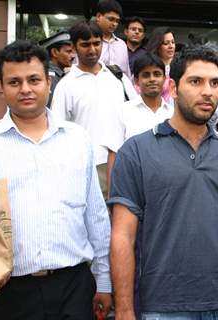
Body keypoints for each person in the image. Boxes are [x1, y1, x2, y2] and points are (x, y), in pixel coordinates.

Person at [109, 45, 218, 320]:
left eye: (214, 83)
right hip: (166, 306)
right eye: (196, 82)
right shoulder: (136, 151)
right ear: (173, 88)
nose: (208, 91)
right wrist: (125, 310)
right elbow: (122, 236)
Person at [0, 40, 111, 320]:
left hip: (74, 286)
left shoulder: (78, 139)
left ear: (49, 83)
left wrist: (104, 280)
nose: (25, 89)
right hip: (8, 289)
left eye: (34, 79)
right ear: (2, 87)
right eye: (14, 82)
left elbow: (96, 214)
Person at [51, 21, 135, 197]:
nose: (92, 49)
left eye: (97, 43)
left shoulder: (117, 77)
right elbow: (57, 131)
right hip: (86, 166)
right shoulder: (66, 85)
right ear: (74, 47)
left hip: (122, 163)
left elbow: (135, 114)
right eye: (85, 44)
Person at [103, 52, 173, 183]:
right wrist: (112, 197)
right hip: (132, 184)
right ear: (136, 81)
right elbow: (113, 155)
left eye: (157, 74)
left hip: (168, 188)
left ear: (164, 79)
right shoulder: (123, 111)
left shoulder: (173, 114)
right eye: (146, 75)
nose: (152, 79)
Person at [96, 0, 132, 78]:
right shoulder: (89, 42)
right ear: (98, 16)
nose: (114, 24)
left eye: (117, 21)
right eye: (111, 19)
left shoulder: (121, 44)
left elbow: (126, 73)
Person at [39, 31, 75, 106]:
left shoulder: (59, 74)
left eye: (73, 52)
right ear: (54, 52)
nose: (73, 56)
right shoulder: (51, 77)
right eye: (68, 52)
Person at [146, 26, 176, 105]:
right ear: (157, 45)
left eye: (173, 42)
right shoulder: (149, 66)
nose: (171, 46)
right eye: (166, 43)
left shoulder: (180, 64)